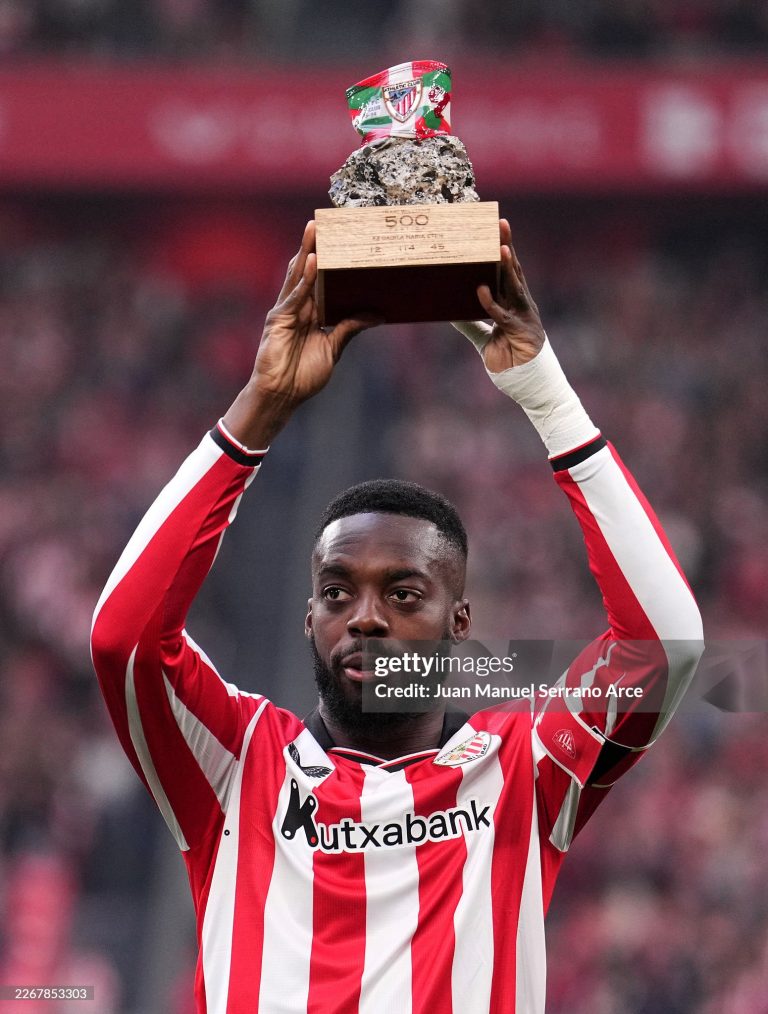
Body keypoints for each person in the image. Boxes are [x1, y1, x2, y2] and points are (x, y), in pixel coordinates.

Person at [90, 219, 704, 1013]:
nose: (366, 619)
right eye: (337, 593)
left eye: (404, 594)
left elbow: (667, 645)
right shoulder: (236, 765)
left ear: (460, 623)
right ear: (308, 619)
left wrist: (546, 393)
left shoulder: (522, 768)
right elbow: (123, 638)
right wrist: (261, 406)